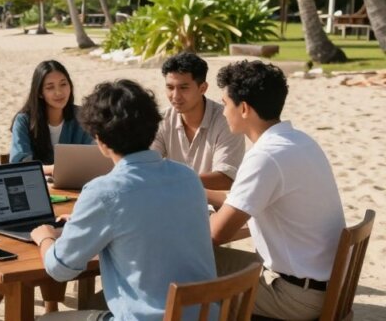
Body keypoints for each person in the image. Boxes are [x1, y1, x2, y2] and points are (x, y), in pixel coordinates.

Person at [30, 80, 217, 321]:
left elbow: (59, 269)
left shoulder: (105, 192)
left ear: (100, 139)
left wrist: (44, 236)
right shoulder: (188, 177)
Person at [209, 60, 345, 320]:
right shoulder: (299, 141)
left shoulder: (265, 157)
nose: (223, 112)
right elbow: (239, 201)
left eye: (225, 104)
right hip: (323, 285)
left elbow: (217, 233)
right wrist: (197, 189)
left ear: (245, 108)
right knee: (210, 261)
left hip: (296, 297)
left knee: (188, 279)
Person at [151, 52, 244, 189]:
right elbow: (146, 165)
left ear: (203, 88)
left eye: (183, 88)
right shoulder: (161, 120)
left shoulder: (226, 121)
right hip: (170, 202)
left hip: (214, 207)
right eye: (170, 88)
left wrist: (171, 181)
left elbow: (225, 179)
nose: (175, 96)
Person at [9, 60, 93, 174]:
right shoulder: (23, 121)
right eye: (50, 87)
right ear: (39, 93)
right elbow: (19, 164)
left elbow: (92, 158)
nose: (58, 92)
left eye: (63, 84)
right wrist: (54, 169)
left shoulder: (82, 116)